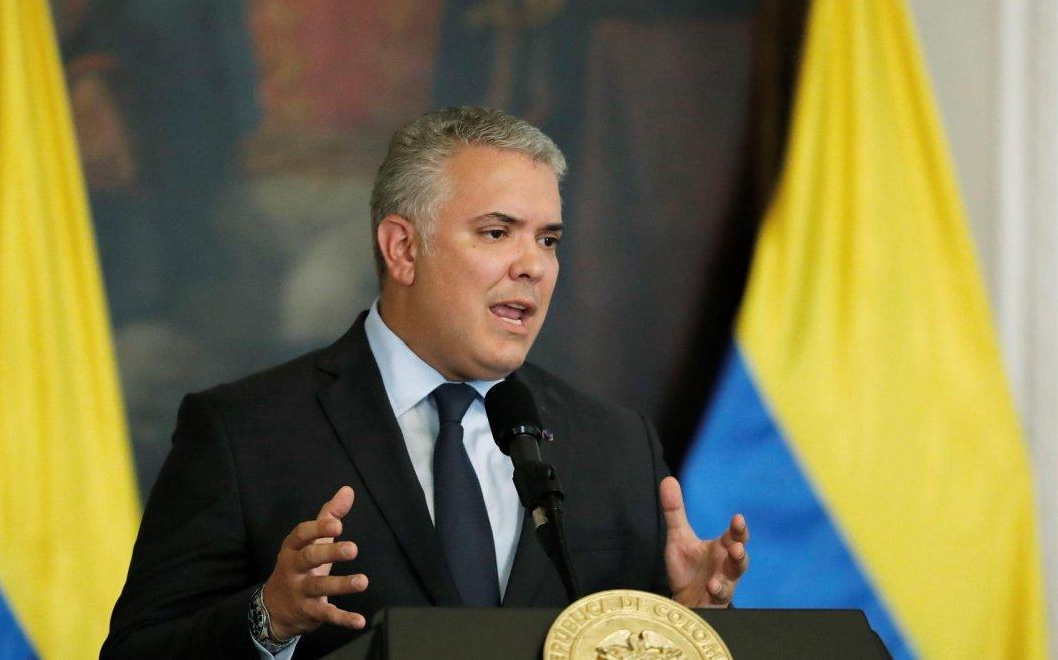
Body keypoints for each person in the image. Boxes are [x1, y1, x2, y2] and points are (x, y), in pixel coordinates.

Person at [101, 107, 749, 659]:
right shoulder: (244, 433)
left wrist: (680, 624)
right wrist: (267, 617)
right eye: (497, 232)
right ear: (403, 249)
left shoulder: (614, 445)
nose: (533, 266)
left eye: (548, 240)